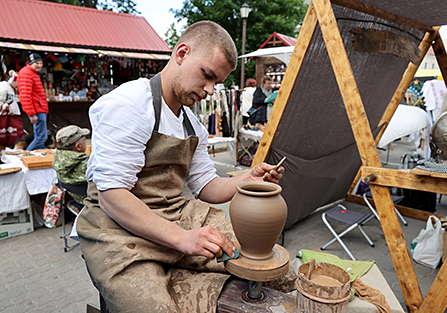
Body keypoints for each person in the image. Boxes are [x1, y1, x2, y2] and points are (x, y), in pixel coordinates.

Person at [76, 21, 288, 313]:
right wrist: (183, 239)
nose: (211, 91)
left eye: (218, 83)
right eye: (208, 76)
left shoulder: (193, 125)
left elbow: (207, 187)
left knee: (258, 261)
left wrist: (247, 178)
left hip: (174, 214)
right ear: (181, 54)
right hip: (117, 230)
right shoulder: (129, 104)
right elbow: (111, 195)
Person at [17, 53, 49, 151]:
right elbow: (25, 95)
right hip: (37, 109)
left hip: (38, 108)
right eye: (36, 63)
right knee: (41, 137)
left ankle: (39, 159)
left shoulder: (31, 73)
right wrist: (31, 114)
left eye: (40, 63)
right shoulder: (27, 74)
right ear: (31, 63)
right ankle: (26, 156)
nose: (39, 65)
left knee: (40, 138)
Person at [52, 125, 90, 205]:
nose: (85, 143)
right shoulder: (86, 163)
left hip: (78, 199)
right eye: (84, 141)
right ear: (78, 146)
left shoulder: (58, 158)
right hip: (93, 202)